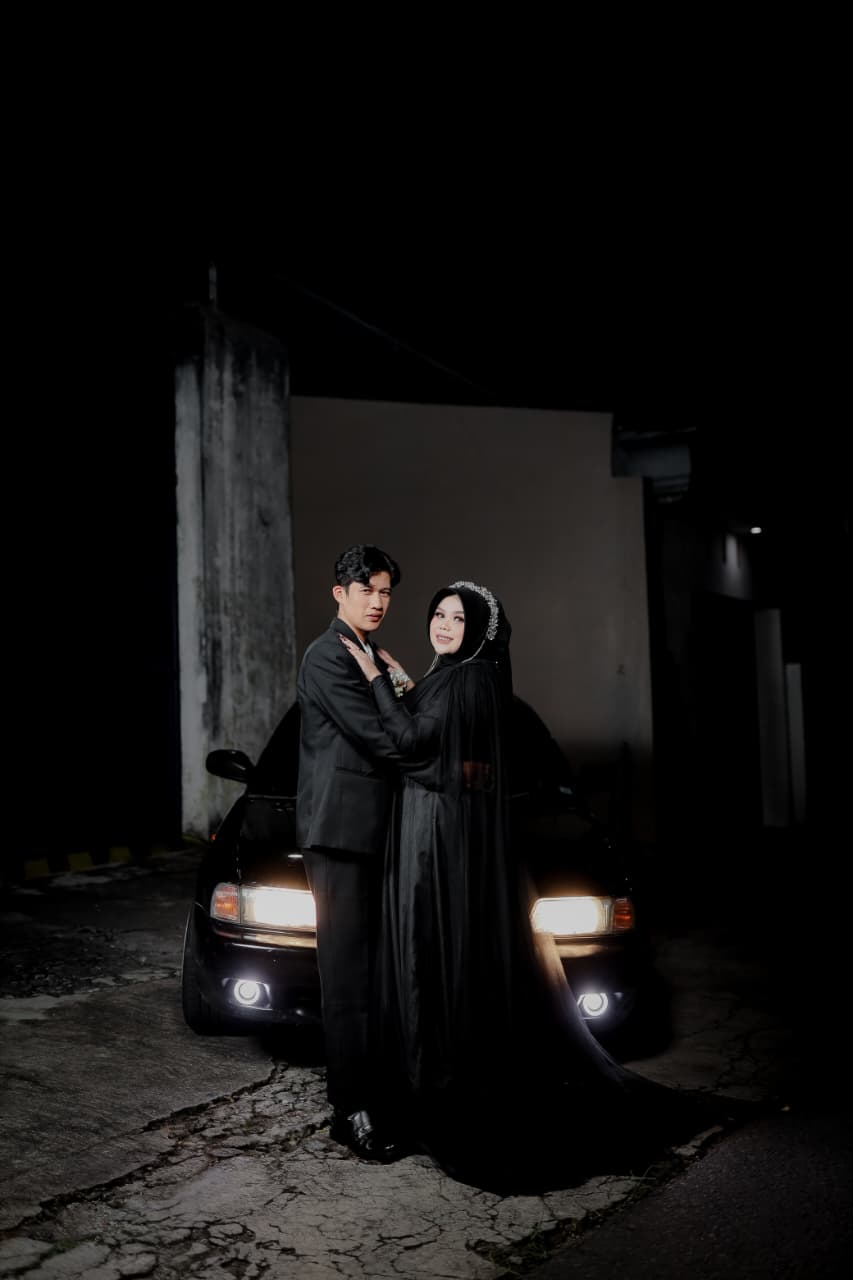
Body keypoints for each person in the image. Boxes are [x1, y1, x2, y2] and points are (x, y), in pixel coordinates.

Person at [340, 579, 754, 1192]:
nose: (443, 625)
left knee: (435, 947)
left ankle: (441, 1081)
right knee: (431, 948)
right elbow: (441, 748)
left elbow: (409, 744)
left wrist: (376, 677)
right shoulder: (458, 677)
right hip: (432, 830)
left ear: (480, 631)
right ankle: (429, 1069)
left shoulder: (468, 679)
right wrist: (403, 681)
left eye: (458, 618)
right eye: (438, 614)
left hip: (438, 840)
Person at [296, 544, 416, 1163]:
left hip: (381, 833)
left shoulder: (371, 654)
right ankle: (350, 1112)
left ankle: (381, 1094)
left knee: (378, 974)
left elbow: (397, 722)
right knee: (346, 978)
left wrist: (402, 685)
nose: (377, 601)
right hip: (340, 834)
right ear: (339, 593)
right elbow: (379, 740)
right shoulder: (328, 655)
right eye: (366, 589)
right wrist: (431, 754)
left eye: (385, 591)